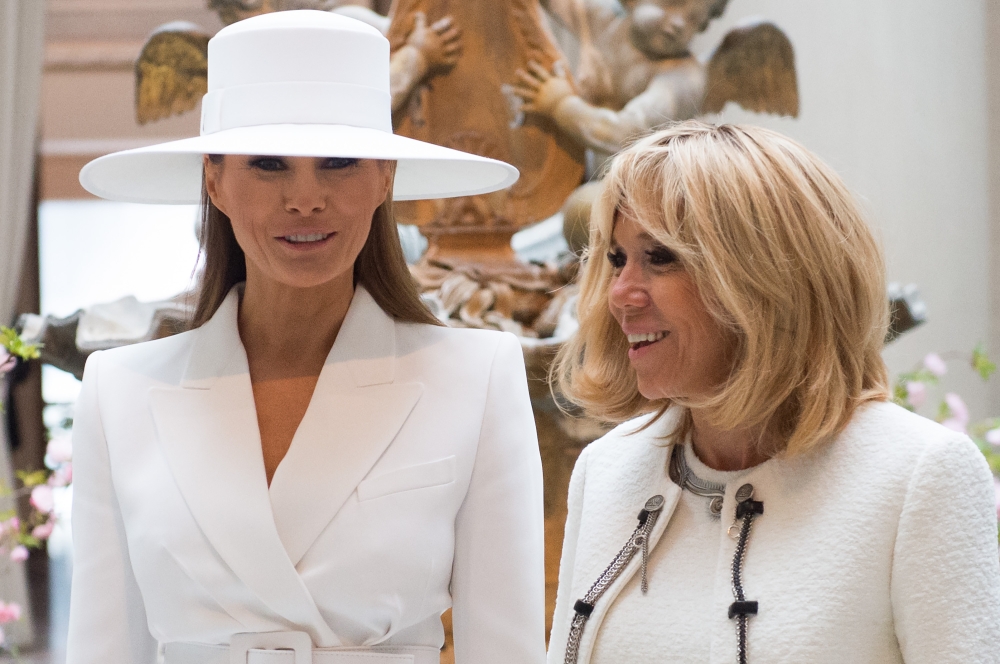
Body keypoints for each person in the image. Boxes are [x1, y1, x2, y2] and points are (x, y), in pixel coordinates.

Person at [66, 11, 545, 664]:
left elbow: (507, 649)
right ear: (214, 179)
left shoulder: (477, 377)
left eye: (339, 162)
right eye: (269, 164)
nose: (306, 198)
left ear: (384, 176)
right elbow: (102, 648)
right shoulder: (119, 391)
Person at [548, 121, 1000, 664]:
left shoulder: (918, 476)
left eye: (660, 257)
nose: (620, 294)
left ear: (765, 280)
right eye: (617, 259)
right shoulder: (606, 469)